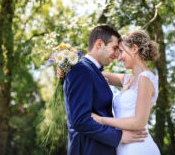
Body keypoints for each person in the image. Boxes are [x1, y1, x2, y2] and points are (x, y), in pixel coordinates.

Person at [58, 25, 147, 155]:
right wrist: (119, 136)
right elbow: (80, 120)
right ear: (100, 44)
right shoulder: (81, 69)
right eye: (115, 48)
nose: (117, 55)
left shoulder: (89, 71)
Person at [91, 30, 161, 155]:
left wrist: (102, 120)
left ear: (134, 49)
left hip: (138, 147)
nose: (119, 57)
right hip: (123, 145)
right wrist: (69, 67)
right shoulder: (128, 79)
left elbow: (139, 122)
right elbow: (94, 74)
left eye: (121, 52)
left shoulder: (145, 78)